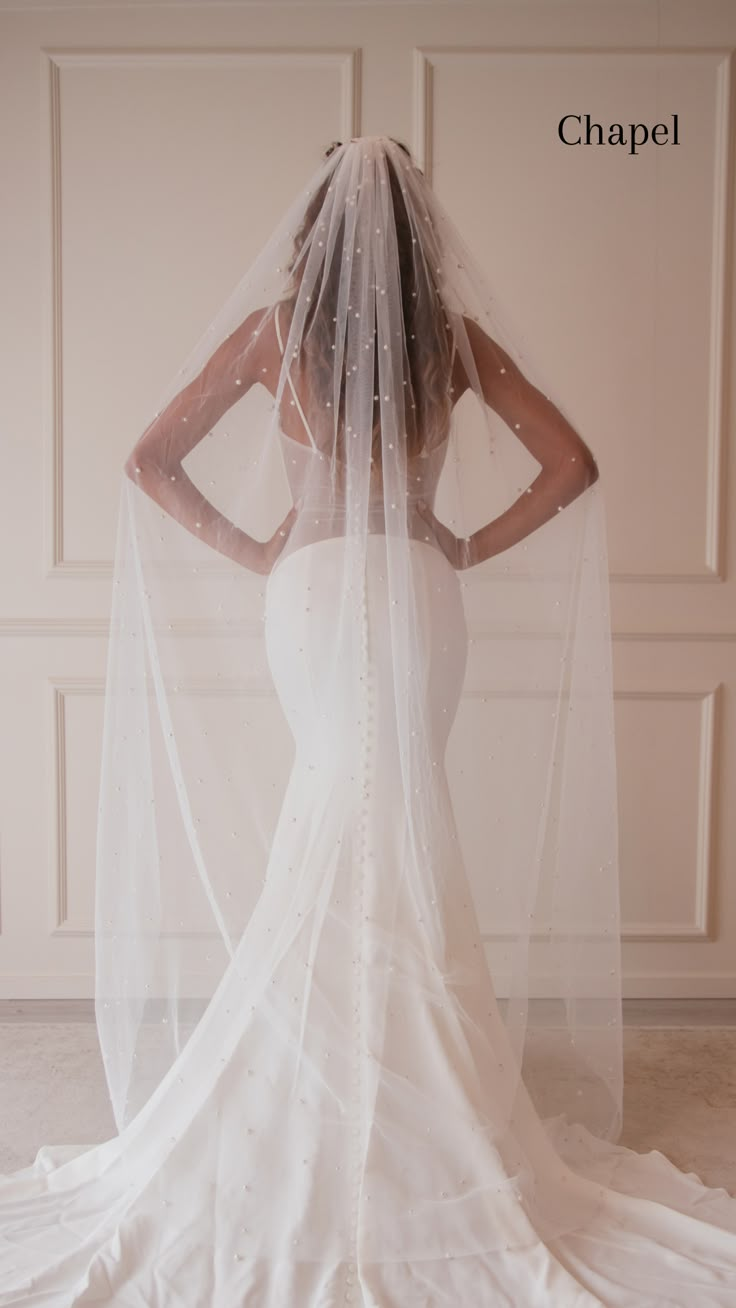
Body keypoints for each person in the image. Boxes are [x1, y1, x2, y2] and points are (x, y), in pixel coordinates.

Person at [1, 134, 734, 1306]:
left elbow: (150, 461)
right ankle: (405, 1074)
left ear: (316, 231)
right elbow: (572, 463)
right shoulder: (449, 339)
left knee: (339, 818)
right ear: (415, 236)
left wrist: (259, 551)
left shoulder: (272, 335)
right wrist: (458, 543)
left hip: (312, 597)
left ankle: (349, 1074)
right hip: (415, 597)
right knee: (397, 821)